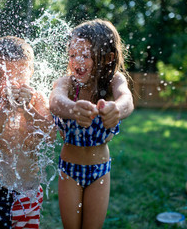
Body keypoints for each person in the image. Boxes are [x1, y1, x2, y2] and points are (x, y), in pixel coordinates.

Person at [49, 19, 134, 229]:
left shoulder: (114, 81)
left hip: (100, 171)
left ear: (107, 58)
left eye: (85, 55)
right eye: (72, 55)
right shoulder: (67, 83)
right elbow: (55, 100)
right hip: (69, 170)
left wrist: (117, 109)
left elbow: (127, 99)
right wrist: (72, 109)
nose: (77, 61)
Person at [0, 36, 56, 229]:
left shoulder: (37, 100)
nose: (13, 83)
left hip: (29, 192)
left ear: (31, 72)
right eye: (4, 76)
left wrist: (27, 109)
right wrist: (5, 110)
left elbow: (50, 135)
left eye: (19, 75)